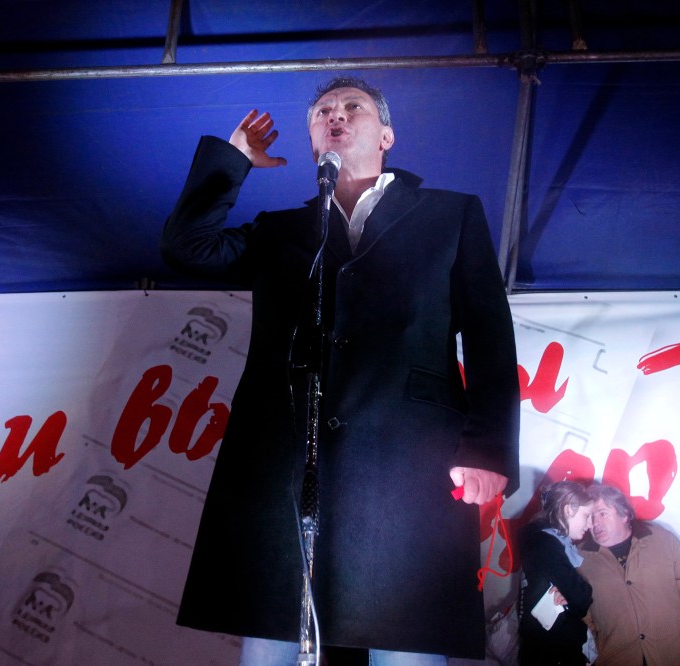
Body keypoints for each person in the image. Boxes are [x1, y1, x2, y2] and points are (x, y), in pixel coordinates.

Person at [160, 76, 520, 663]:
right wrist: (233, 162)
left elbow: (489, 338)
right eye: (323, 110)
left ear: (386, 134)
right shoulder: (281, 230)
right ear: (311, 140)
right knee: (274, 640)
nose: (337, 115)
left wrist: (488, 448)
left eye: (353, 107)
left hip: (408, 469)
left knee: (406, 645)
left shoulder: (451, 216)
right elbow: (186, 249)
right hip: (288, 467)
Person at [577, 484, 680, 666]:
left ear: (624, 514)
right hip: (617, 659)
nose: (594, 522)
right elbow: (583, 615)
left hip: (676, 656)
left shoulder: (662, 540)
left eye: (602, 513)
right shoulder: (579, 559)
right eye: (589, 516)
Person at [517, 480, 594, 666]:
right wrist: (575, 593)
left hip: (547, 646)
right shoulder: (546, 543)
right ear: (569, 510)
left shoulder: (544, 539)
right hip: (552, 650)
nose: (590, 524)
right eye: (586, 515)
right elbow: (580, 597)